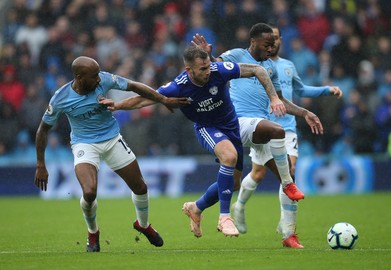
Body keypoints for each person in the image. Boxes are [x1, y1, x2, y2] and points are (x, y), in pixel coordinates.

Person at [100, 46, 288, 237]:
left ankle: (196, 208)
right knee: (229, 156)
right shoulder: (178, 86)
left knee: (234, 183)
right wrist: (117, 105)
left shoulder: (218, 70)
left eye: (208, 66)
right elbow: (144, 100)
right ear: (189, 70)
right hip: (207, 128)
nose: (208, 71)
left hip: (232, 128)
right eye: (203, 69)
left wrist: (273, 98)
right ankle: (224, 218)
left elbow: (258, 70)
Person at [34, 56, 190, 252]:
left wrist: (163, 99)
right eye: (94, 76)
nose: (99, 79)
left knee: (140, 187)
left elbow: (134, 86)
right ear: (80, 77)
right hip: (84, 144)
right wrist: (41, 164)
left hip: (112, 139)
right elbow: (43, 129)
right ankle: (93, 232)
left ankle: (143, 225)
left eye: (99, 74)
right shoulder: (60, 98)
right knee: (89, 192)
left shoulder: (104, 79)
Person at [191, 23, 324, 248]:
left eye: (273, 44)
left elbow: (280, 99)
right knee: (277, 132)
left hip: (258, 127)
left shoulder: (270, 68)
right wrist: (209, 55)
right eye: (267, 44)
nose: (271, 48)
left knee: (238, 181)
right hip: (238, 122)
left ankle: (289, 235)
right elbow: (215, 68)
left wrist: (305, 113)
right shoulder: (236, 54)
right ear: (254, 42)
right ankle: (287, 183)